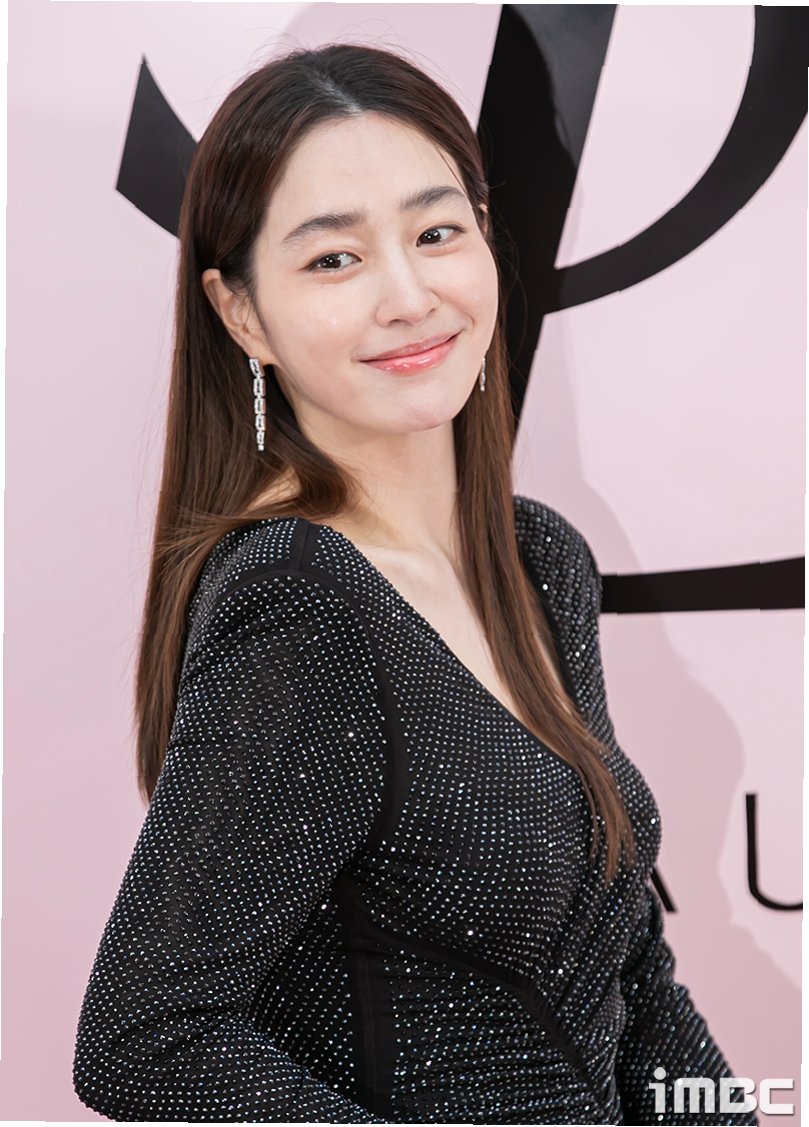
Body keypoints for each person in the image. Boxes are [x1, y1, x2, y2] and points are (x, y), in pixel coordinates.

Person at [72, 42, 758, 1125]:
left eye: (436, 233)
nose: (407, 295)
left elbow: (630, 977)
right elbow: (146, 1038)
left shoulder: (538, 559)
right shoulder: (301, 602)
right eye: (333, 258)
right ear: (241, 313)